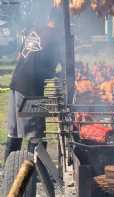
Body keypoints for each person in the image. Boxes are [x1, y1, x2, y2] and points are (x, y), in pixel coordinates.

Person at [4, 8, 64, 161]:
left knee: (15, 132)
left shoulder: (36, 30)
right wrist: (58, 74)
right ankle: (34, 174)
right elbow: (51, 68)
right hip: (31, 88)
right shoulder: (55, 38)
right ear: (61, 21)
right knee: (35, 134)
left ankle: (8, 170)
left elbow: (20, 56)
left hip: (16, 83)